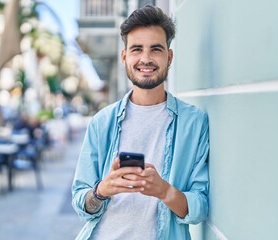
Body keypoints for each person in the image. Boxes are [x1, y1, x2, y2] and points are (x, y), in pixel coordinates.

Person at [72, 5, 209, 240]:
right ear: (125, 57)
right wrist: (101, 191)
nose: (146, 59)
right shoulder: (102, 122)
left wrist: (164, 191)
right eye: (137, 49)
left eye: (156, 49)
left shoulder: (194, 123)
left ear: (169, 57)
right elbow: (80, 202)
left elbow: (200, 206)